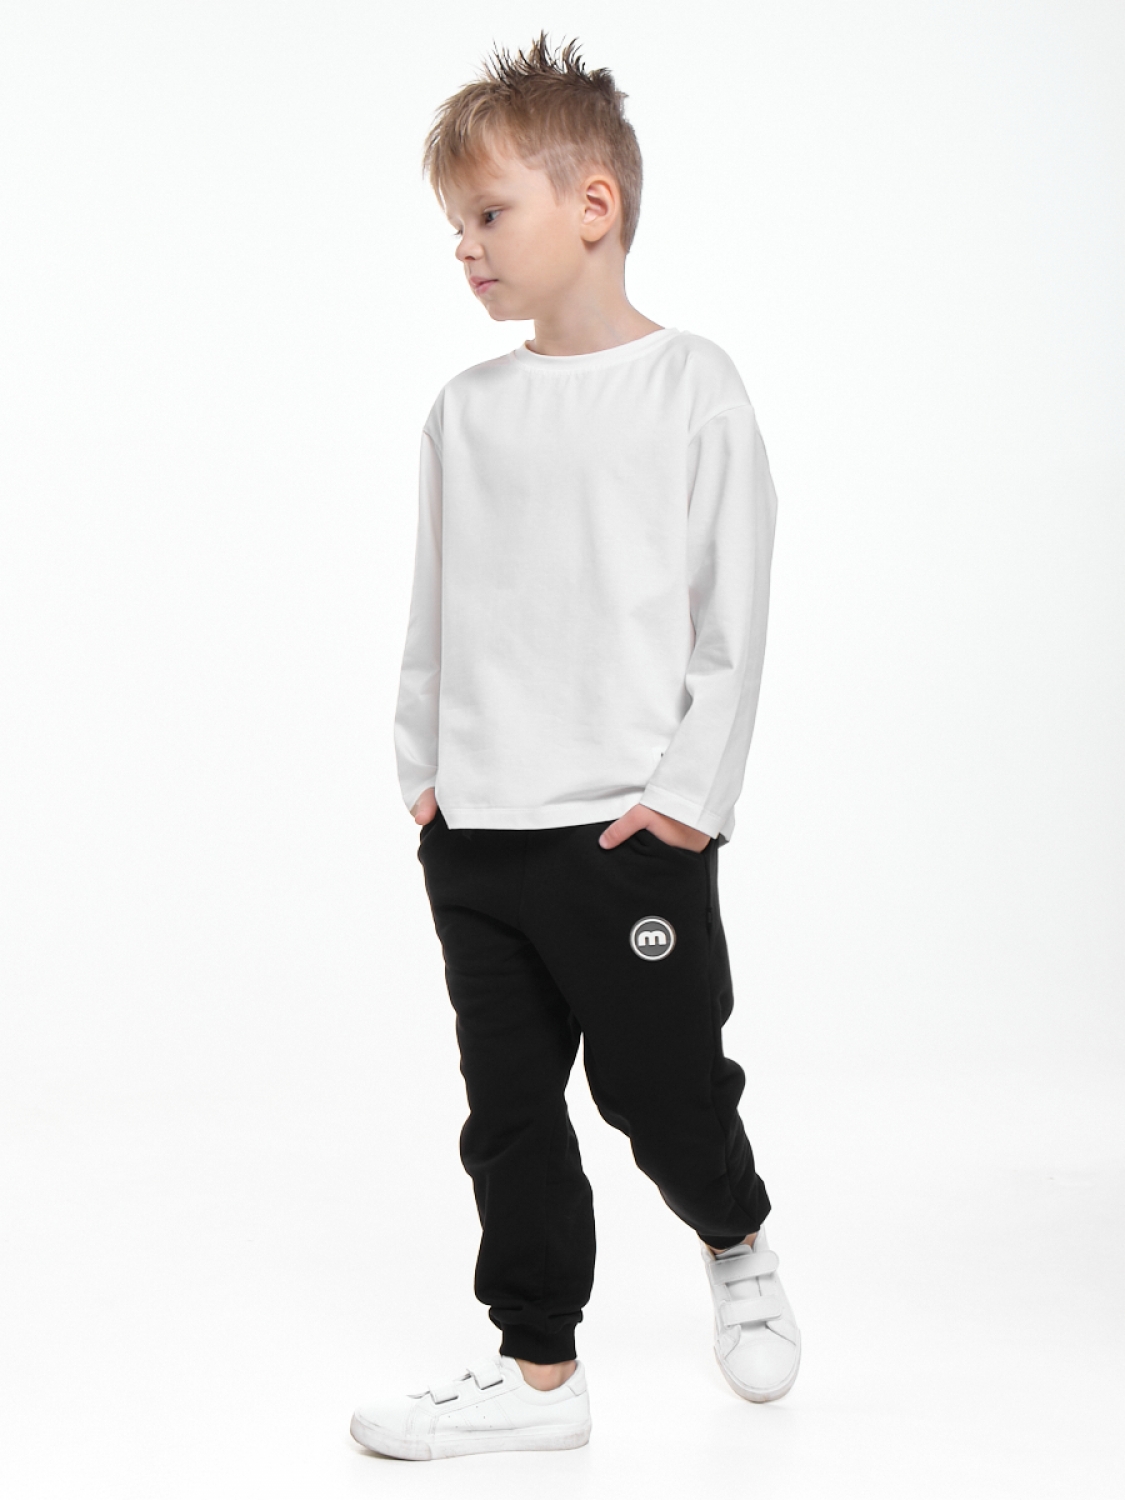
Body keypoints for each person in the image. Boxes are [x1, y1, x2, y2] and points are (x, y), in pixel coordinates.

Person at [350, 32, 800, 1462]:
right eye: (455, 225)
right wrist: (423, 774)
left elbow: (731, 615)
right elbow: (436, 606)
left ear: (591, 205)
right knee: (507, 1115)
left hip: (626, 832)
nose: (465, 249)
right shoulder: (465, 412)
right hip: (478, 833)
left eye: (489, 214)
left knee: (661, 1098)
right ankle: (538, 1375)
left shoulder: (693, 387)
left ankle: (733, 1237)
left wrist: (688, 802)